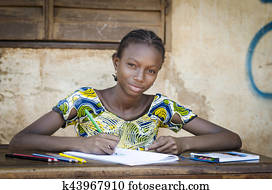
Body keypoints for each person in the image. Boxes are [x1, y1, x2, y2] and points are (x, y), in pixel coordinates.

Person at [9, 29, 242, 155]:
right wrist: (81, 144)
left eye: (151, 70)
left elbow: (232, 139)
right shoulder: (84, 101)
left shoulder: (161, 108)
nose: (140, 77)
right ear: (116, 62)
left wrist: (182, 145)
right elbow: (20, 141)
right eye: (132, 65)